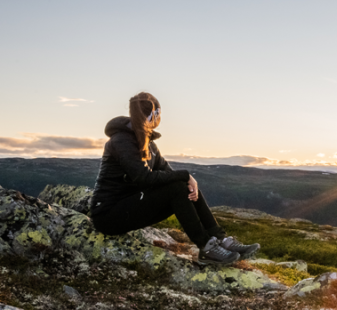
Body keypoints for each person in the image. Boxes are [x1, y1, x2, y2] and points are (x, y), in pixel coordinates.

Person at [89, 92, 259, 265]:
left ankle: (221, 240)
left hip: (130, 207)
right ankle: (206, 247)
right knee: (177, 188)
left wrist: (188, 181)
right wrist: (185, 175)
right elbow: (143, 178)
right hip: (108, 216)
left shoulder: (149, 144)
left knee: (183, 187)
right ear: (154, 115)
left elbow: (167, 173)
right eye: (159, 114)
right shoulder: (121, 140)